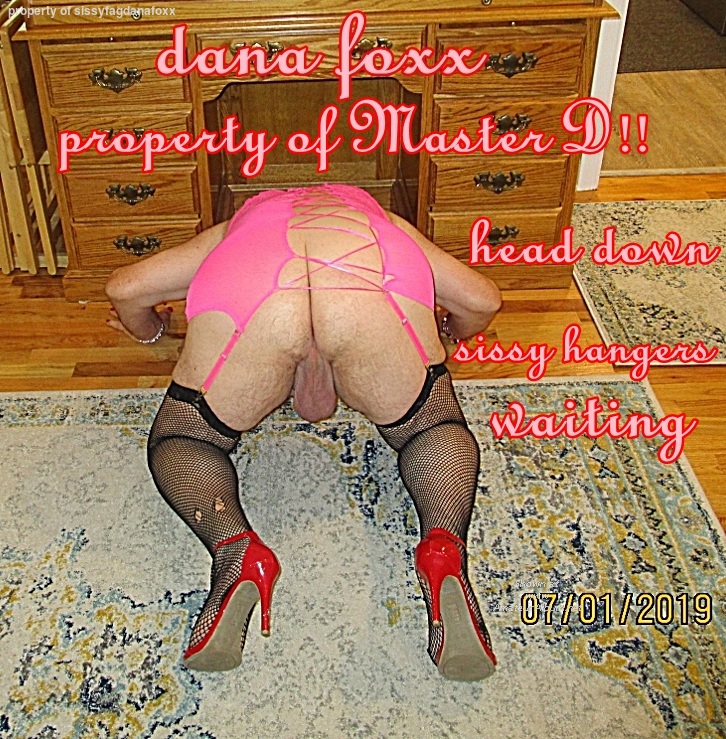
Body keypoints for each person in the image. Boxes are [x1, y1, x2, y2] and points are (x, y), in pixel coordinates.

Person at [105, 183, 502, 681]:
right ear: (349, 197)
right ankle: (443, 548)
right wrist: (447, 331)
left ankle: (235, 551)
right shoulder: (383, 220)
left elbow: (124, 288)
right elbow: (483, 300)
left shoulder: (237, 226)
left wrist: (152, 331)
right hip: (368, 297)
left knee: (186, 440)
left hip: (259, 305)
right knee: (432, 427)